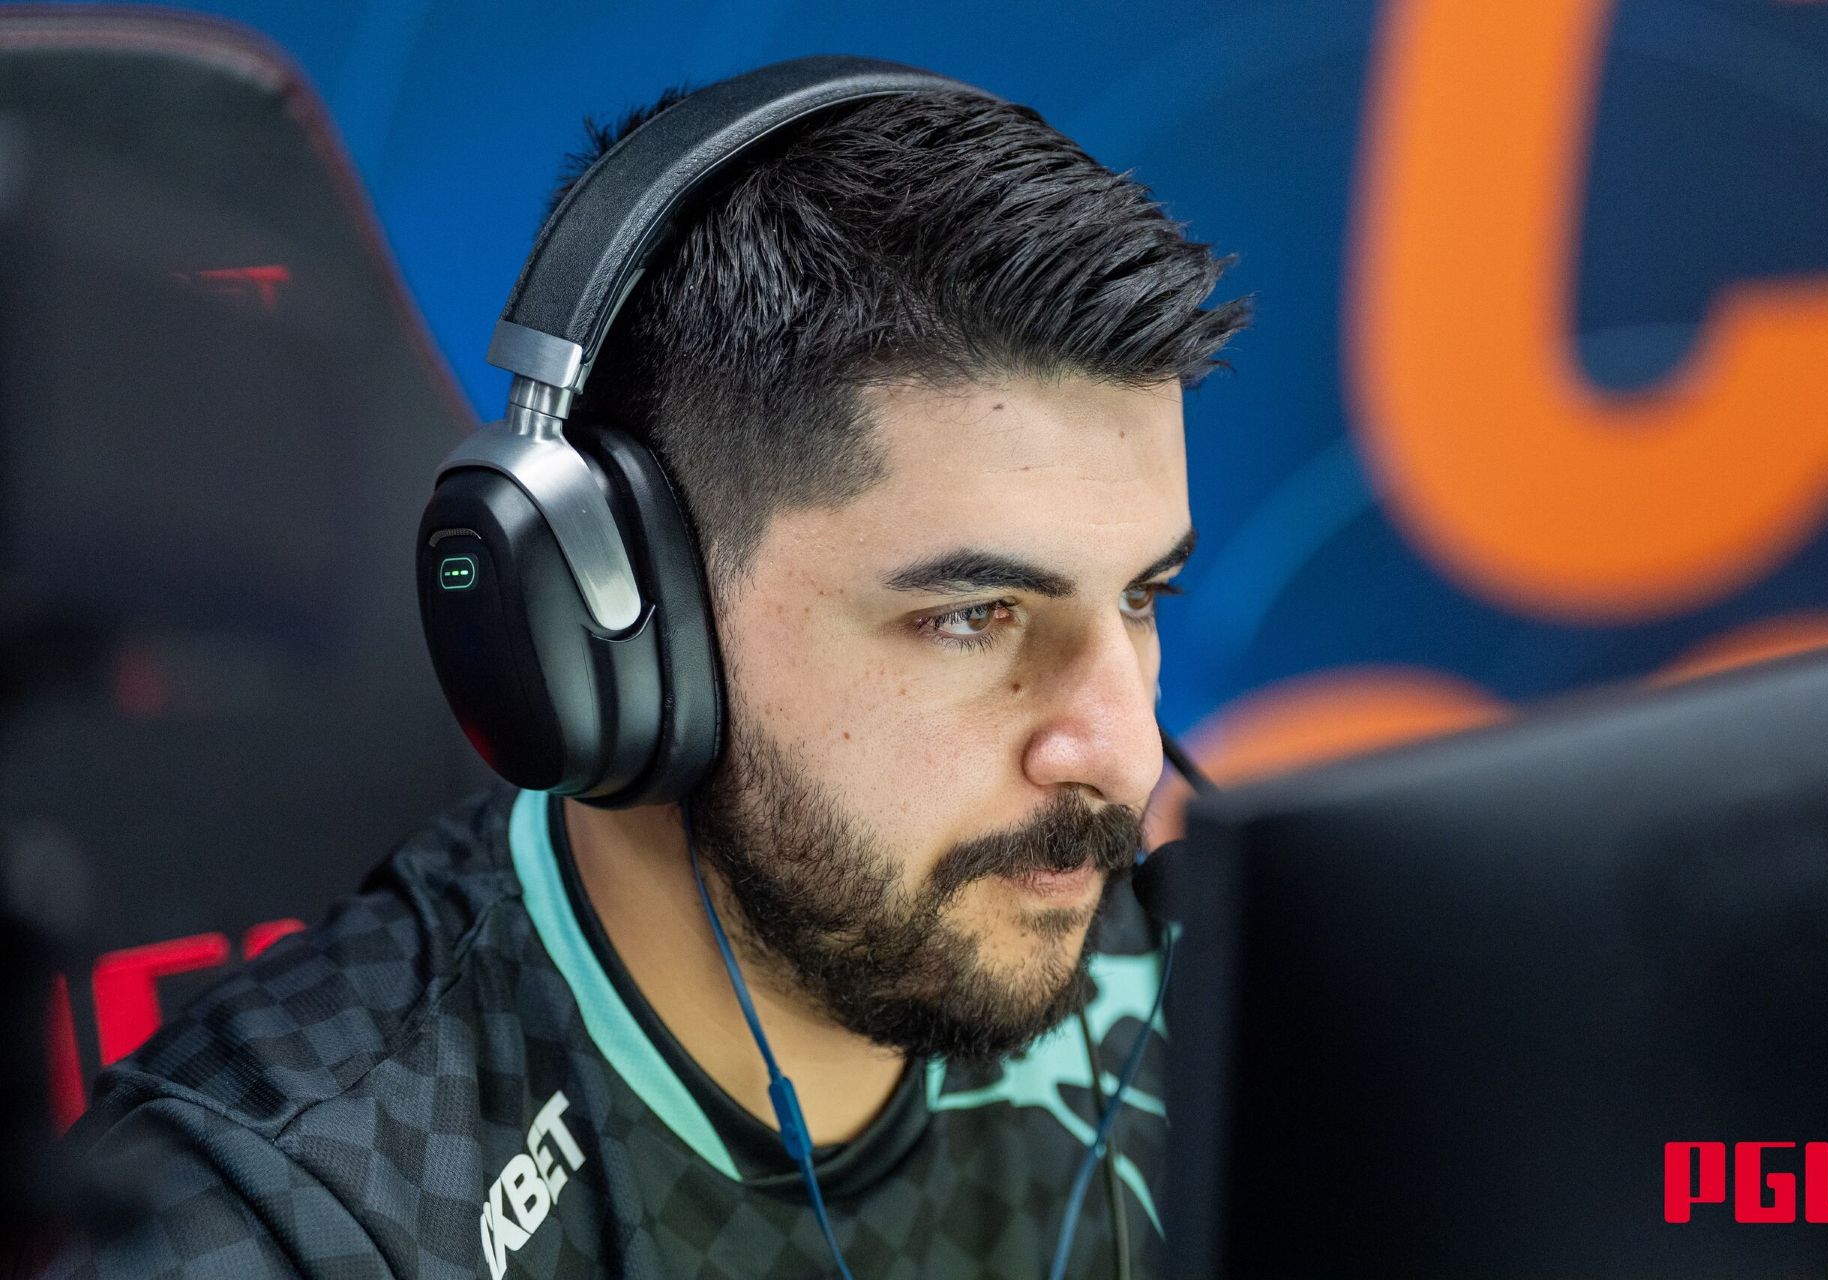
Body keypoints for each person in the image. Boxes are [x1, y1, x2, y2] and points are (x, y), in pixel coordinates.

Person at [46, 69, 1248, 1279]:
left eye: (1143, 596)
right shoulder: (282, 1220)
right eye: (974, 617)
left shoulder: (1192, 983)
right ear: (625, 623)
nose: (1126, 756)